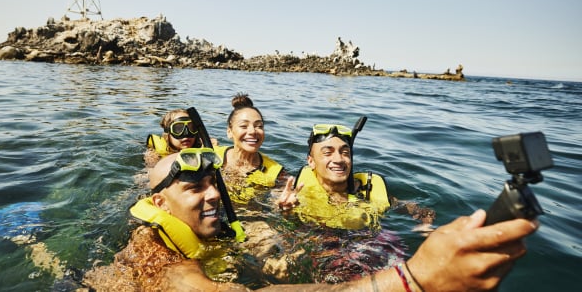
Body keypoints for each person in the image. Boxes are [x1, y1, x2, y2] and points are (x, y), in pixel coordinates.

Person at [82, 148, 539, 291]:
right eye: (192, 187)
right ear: (158, 205)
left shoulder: (221, 229)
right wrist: (413, 279)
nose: (212, 194)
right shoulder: (157, 255)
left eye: (211, 182)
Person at [277, 122, 435, 230]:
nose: (339, 159)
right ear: (311, 161)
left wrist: (425, 225)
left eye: (345, 152)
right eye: (327, 153)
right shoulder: (293, 194)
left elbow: (423, 211)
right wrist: (284, 213)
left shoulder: (366, 191)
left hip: (370, 245)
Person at [214, 93, 285, 202]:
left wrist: (283, 205)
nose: (252, 131)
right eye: (243, 126)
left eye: (259, 126)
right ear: (229, 132)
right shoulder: (213, 154)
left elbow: (280, 200)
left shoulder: (276, 172)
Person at [144, 108, 215, 168]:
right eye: (178, 129)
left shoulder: (203, 148)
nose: (186, 134)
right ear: (167, 133)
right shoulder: (154, 155)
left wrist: (212, 153)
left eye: (192, 128)